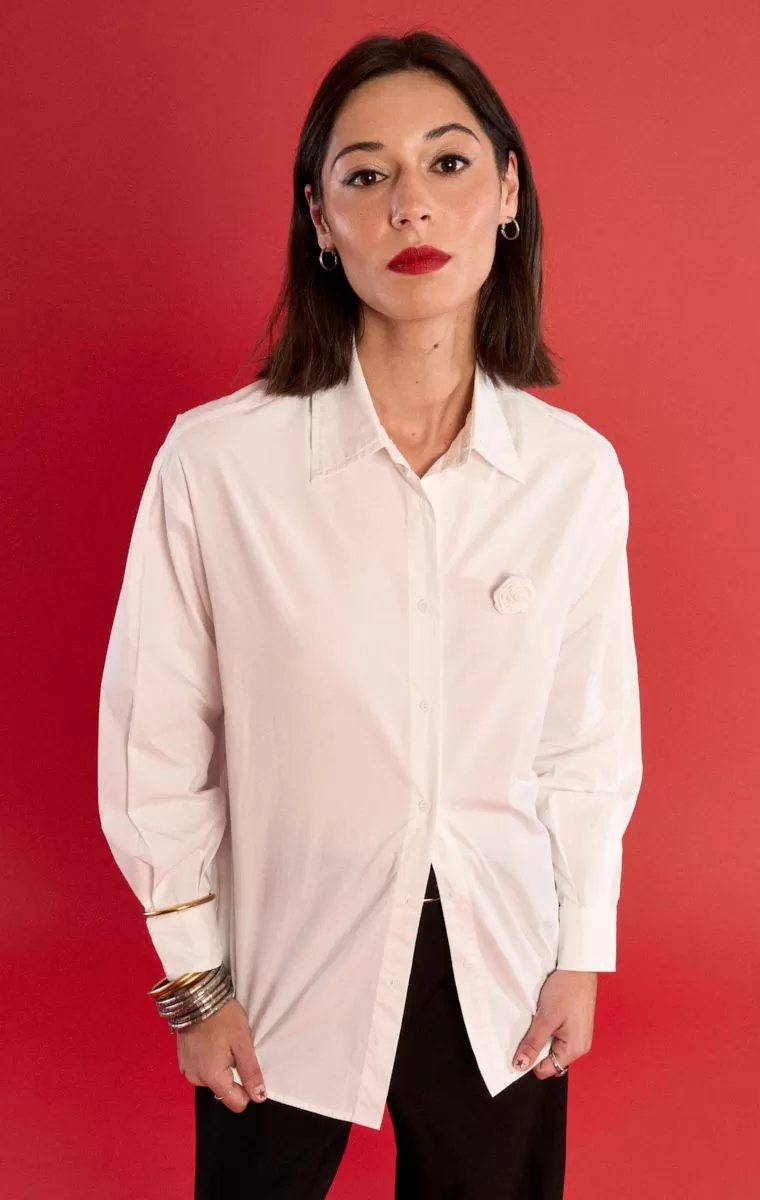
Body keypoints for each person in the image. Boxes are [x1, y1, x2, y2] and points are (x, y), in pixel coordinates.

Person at [97, 28, 643, 1200]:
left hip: (498, 962)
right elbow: (156, 743)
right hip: (284, 959)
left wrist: (579, 950)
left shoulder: (571, 475)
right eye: (365, 175)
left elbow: (583, 743)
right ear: (318, 215)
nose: (410, 206)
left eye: (447, 163)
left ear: (506, 192)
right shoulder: (217, 466)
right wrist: (194, 983)